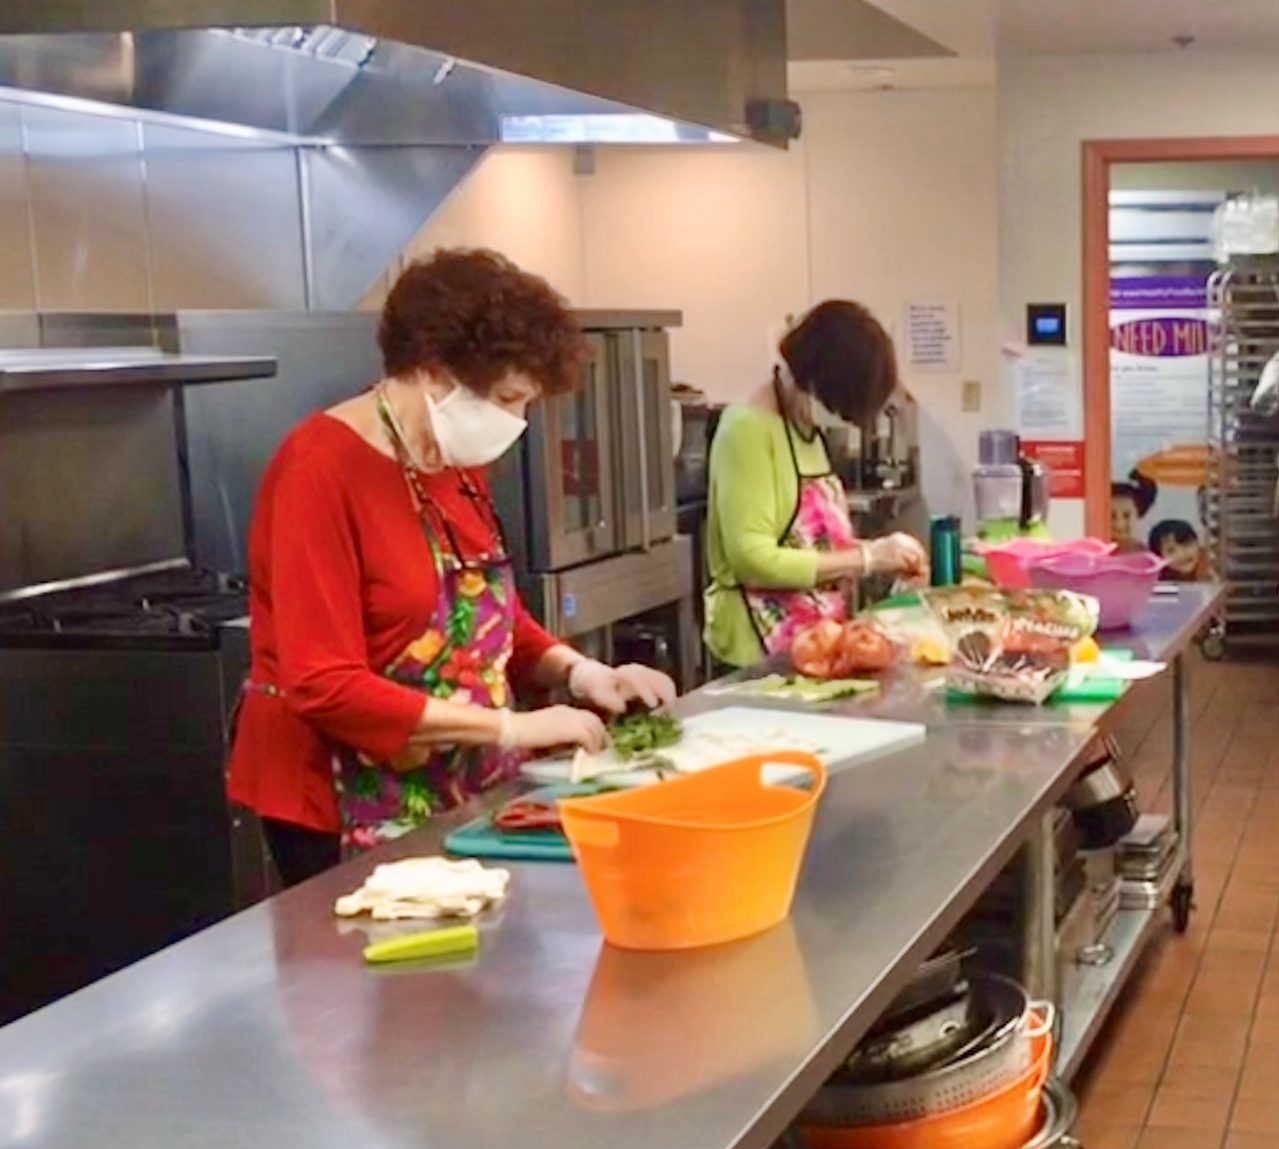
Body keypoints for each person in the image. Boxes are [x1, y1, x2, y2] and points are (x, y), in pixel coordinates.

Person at [227, 248, 676, 890]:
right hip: (338, 798)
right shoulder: (317, 470)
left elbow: (483, 617)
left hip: (455, 782)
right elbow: (322, 681)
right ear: (435, 373)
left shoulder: (450, 461)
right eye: (508, 399)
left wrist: (582, 673)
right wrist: (510, 726)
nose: (516, 423)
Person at [705, 300, 926, 670]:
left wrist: (882, 554)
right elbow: (753, 560)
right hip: (760, 653)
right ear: (807, 378)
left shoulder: (806, 428)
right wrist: (866, 559)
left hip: (819, 640)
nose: (836, 419)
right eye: (834, 406)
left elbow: (815, 542)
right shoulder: (747, 431)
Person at [1109, 473, 1158, 554]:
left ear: (1139, 513)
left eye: (1127, 516)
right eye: (1112, 516)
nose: (1120, 524)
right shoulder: (1092, 554)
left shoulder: (1150, 557)